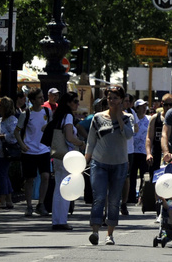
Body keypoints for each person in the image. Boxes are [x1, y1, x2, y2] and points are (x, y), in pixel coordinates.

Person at [84, 85, 135, 245]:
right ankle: (95, 231)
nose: (111, 101)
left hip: (119, 165)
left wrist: (119, 117)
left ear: (121, 100)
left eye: (115, 98)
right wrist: (85, 160)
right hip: (99, 163)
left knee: (114, 200)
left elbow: (128, 135)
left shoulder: (128, 118)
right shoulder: (98, 117)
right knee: (98, 197)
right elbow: (91, 141)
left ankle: (110, 234)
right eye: (109, 98)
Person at [47, 91, 84, 231]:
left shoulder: (59, 115)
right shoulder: (68, 116)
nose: (77, 104)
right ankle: (62, 220)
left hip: (58, 156)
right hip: (67, 156)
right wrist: (80, 143)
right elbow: (69, 137)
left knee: (58, 188)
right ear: (68, 103)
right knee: (65, 188)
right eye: (75, 101)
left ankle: (57, 220)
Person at [17, 88, 52, 218]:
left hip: (43, 149)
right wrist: (22, 145)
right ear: (32, 100)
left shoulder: (47, 112)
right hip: (29, 151)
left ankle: (41, 204)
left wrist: (48, 128)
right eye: (39, 97)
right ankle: (29, 206)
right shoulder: (26, 114)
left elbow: (52, 127)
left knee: (45, 176)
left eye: (42, 97)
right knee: (30, 179)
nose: (42, 99)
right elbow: (17, 131)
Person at [0, 97, 18, 212]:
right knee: (4, 175)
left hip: (6, 151)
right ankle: (9, 200)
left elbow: (14, 136)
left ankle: (2, 200)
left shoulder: (12, 120)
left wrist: (0, 136)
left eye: (0, 105)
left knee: (1, 175)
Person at [127, 99, 149, 210]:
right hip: (132, 150)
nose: (144, 108)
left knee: (144, 175)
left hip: (144, 151)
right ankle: (130, 197)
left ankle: (142, 197)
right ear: (137, 108)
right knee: (132, 175)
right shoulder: (132, 119)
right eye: (141, 106)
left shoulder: (148, 120)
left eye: (145, 106)